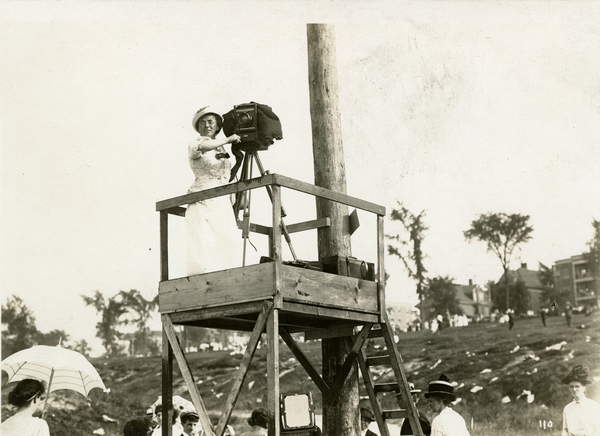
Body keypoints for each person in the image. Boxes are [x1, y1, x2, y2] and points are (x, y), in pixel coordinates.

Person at [185, 106, 242, 276]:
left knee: (229, 242)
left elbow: (224, 177)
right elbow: (204, 147)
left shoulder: (220, 148)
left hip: (221, 200)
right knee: (203, 246)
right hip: (202, 199)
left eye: (211, 122)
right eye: (202, 123)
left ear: (217, 126)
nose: (207, 125)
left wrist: (239, 161)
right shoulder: (196, 144)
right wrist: (228, 140)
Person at [561, 365, 600, 436]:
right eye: (571, 387)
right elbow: (565, 431)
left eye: (577, 386)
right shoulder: (567, 408)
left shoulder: (594, 406)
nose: (574, 389)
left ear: (584, 388)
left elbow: (598, 430)